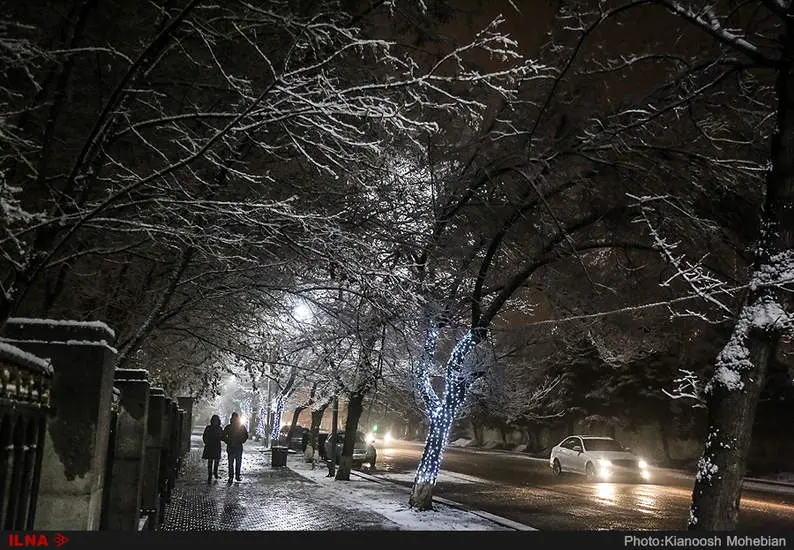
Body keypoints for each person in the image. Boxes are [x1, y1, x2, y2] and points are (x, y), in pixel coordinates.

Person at [222, 412, 249, 482]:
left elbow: (245, 436)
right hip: (233, 446)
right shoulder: (234, 427)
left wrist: (228, 441)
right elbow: (223, 436)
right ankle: (234, 476)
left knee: (235, 462)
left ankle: (234, 476)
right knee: (233, 462)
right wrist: (228, 441)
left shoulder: (233, 427)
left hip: (235, 446)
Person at [201, 414, 223, 483]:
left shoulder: (219, 428)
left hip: (216, 446)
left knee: (216, 461)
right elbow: (204, 436)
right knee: (210, 461)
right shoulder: (208, 428)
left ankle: (215, 473)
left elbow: (221, 436)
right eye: (214, 421)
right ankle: (210, 475)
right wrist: (206, 442)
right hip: (210, 446)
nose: (215, 422)